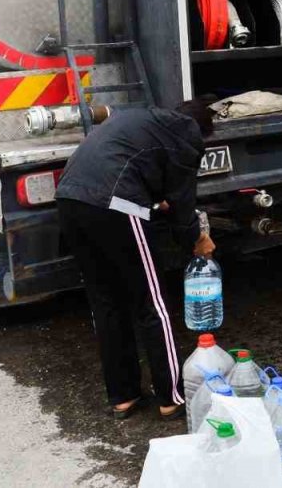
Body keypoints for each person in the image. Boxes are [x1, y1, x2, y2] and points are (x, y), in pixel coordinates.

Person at [55, 99, 218, 420]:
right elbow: (184, 206)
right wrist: (197, 240)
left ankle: (123, 396)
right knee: (151, 301)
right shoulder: (187, 133)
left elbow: (140, 170)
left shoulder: (143, 120)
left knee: (106, 302)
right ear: (200, 129)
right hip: (116, 204)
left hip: (70, 201)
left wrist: (159, 202)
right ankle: (171, 397)